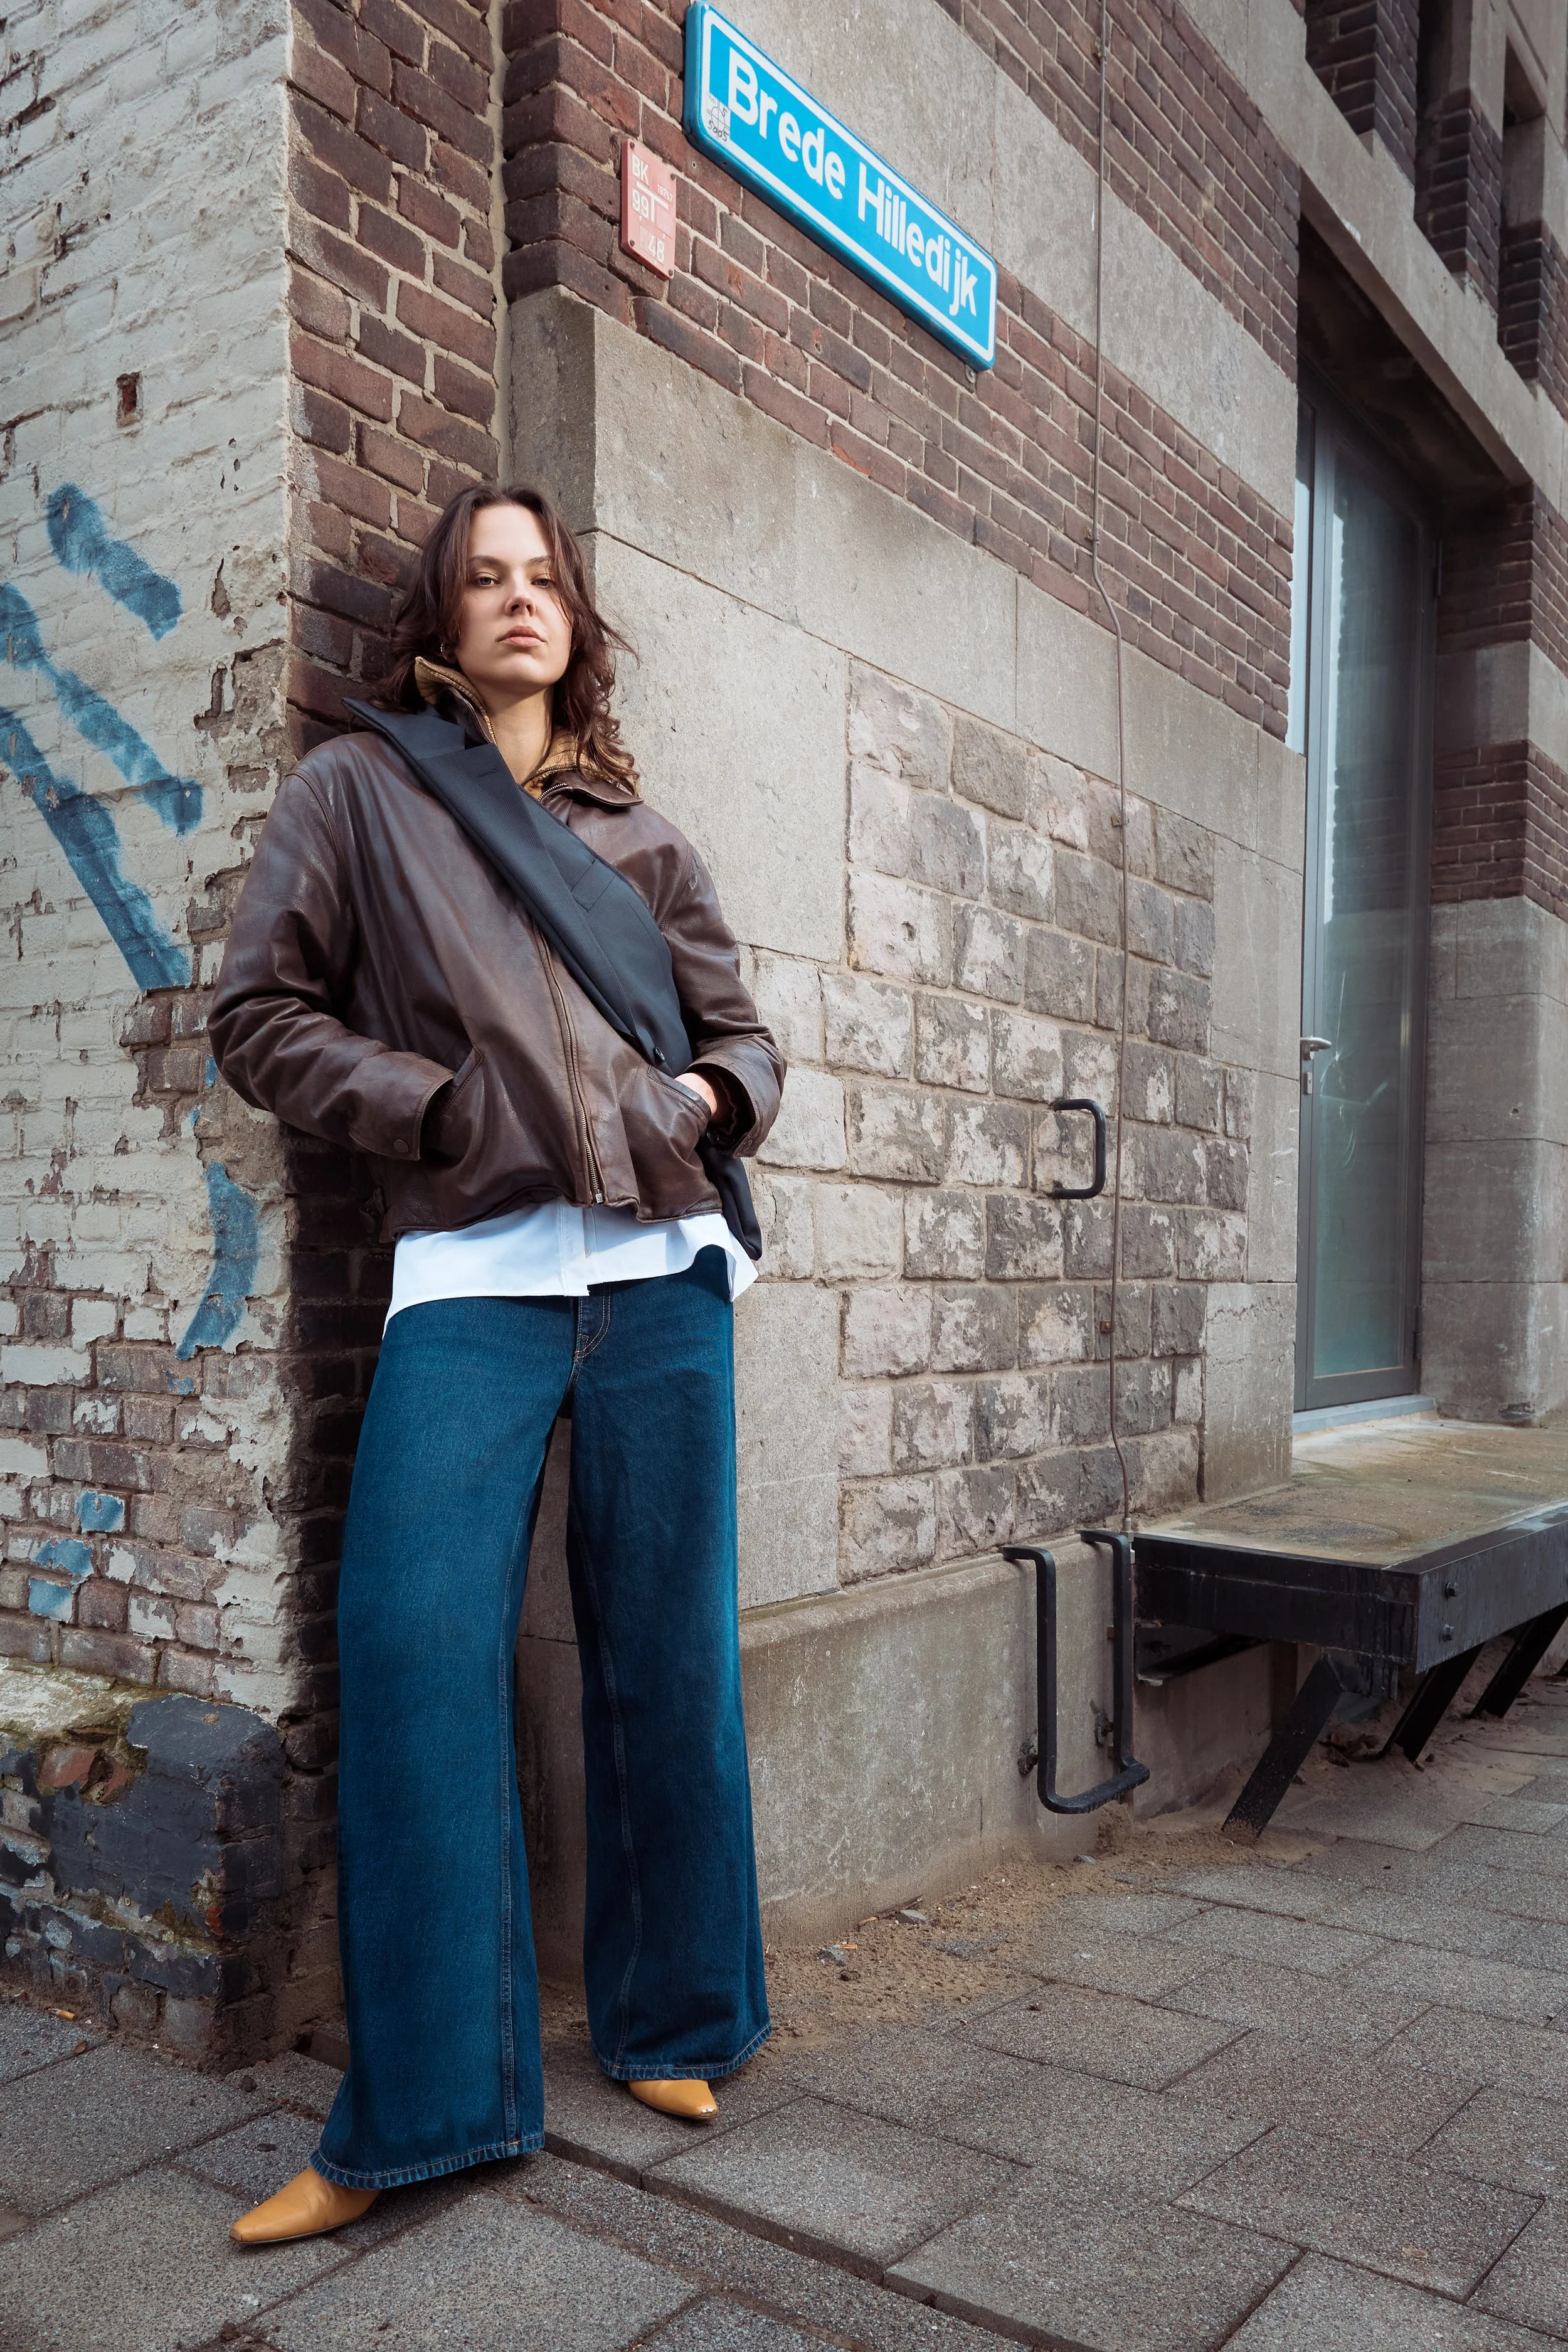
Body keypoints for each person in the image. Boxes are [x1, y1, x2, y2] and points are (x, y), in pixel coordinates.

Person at [208, 483, 784, 2243]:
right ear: (439, 621)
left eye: (545, 577)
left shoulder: (648, 835)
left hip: (665, 1272)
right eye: (486, 576)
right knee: (406, 1649)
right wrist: (437, 1105)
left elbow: (743, 1036)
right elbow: (257, 1015)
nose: (519, 599)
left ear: (572, 617)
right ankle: (431, 2103)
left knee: (665, 1650)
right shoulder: (360, 794)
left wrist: (700, 1094)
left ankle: (680, 2012)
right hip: (471, 1272)